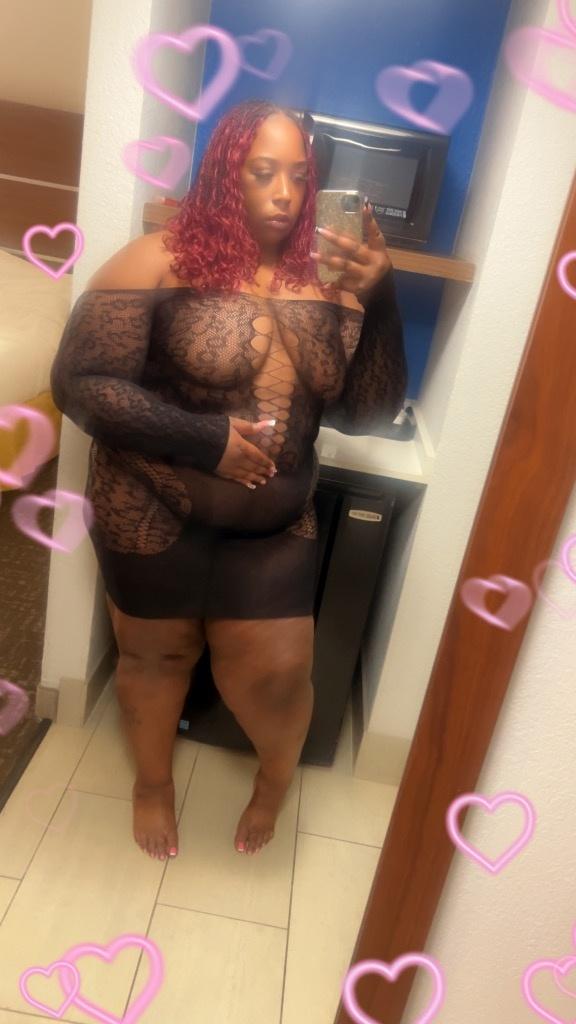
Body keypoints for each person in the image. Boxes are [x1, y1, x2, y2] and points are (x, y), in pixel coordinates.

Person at [50, 99, 407, 862]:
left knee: (278, 676)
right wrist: (206, 439)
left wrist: (381, 297)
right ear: (224, 174)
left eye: (300, 176)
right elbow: (80, 384)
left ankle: (274, 781)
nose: (285, 193)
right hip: (151, 505)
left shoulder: (333, 280)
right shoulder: (157, 259)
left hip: (273, 524)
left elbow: (370, 412)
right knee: (155, 659)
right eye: (263, 172)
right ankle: (152, 785)